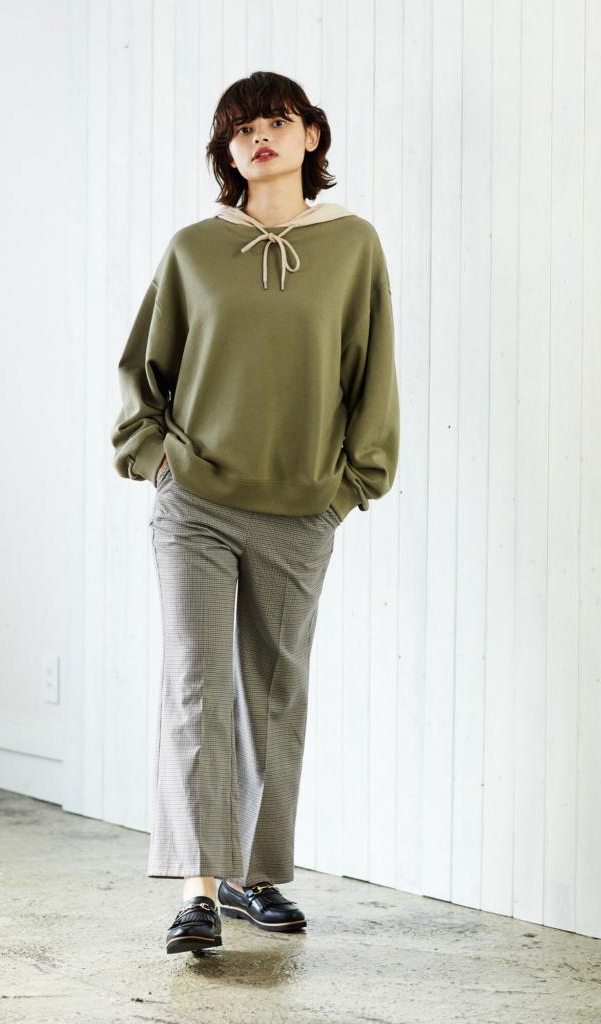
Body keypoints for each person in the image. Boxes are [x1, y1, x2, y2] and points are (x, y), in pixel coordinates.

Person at [110, 71, 399, 955]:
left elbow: (372, 375)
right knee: (198, 687)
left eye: (276, 121)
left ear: (311, 136)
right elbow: (143, 370)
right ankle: (199, 889)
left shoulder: (353, 246)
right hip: (195, 503)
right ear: (226, 152)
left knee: (273, 694)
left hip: (300, 506)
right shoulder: (195, 250)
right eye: (240, 130)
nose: (258, 138)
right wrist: (156, 458)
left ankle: (254, 878)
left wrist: (349, 488)